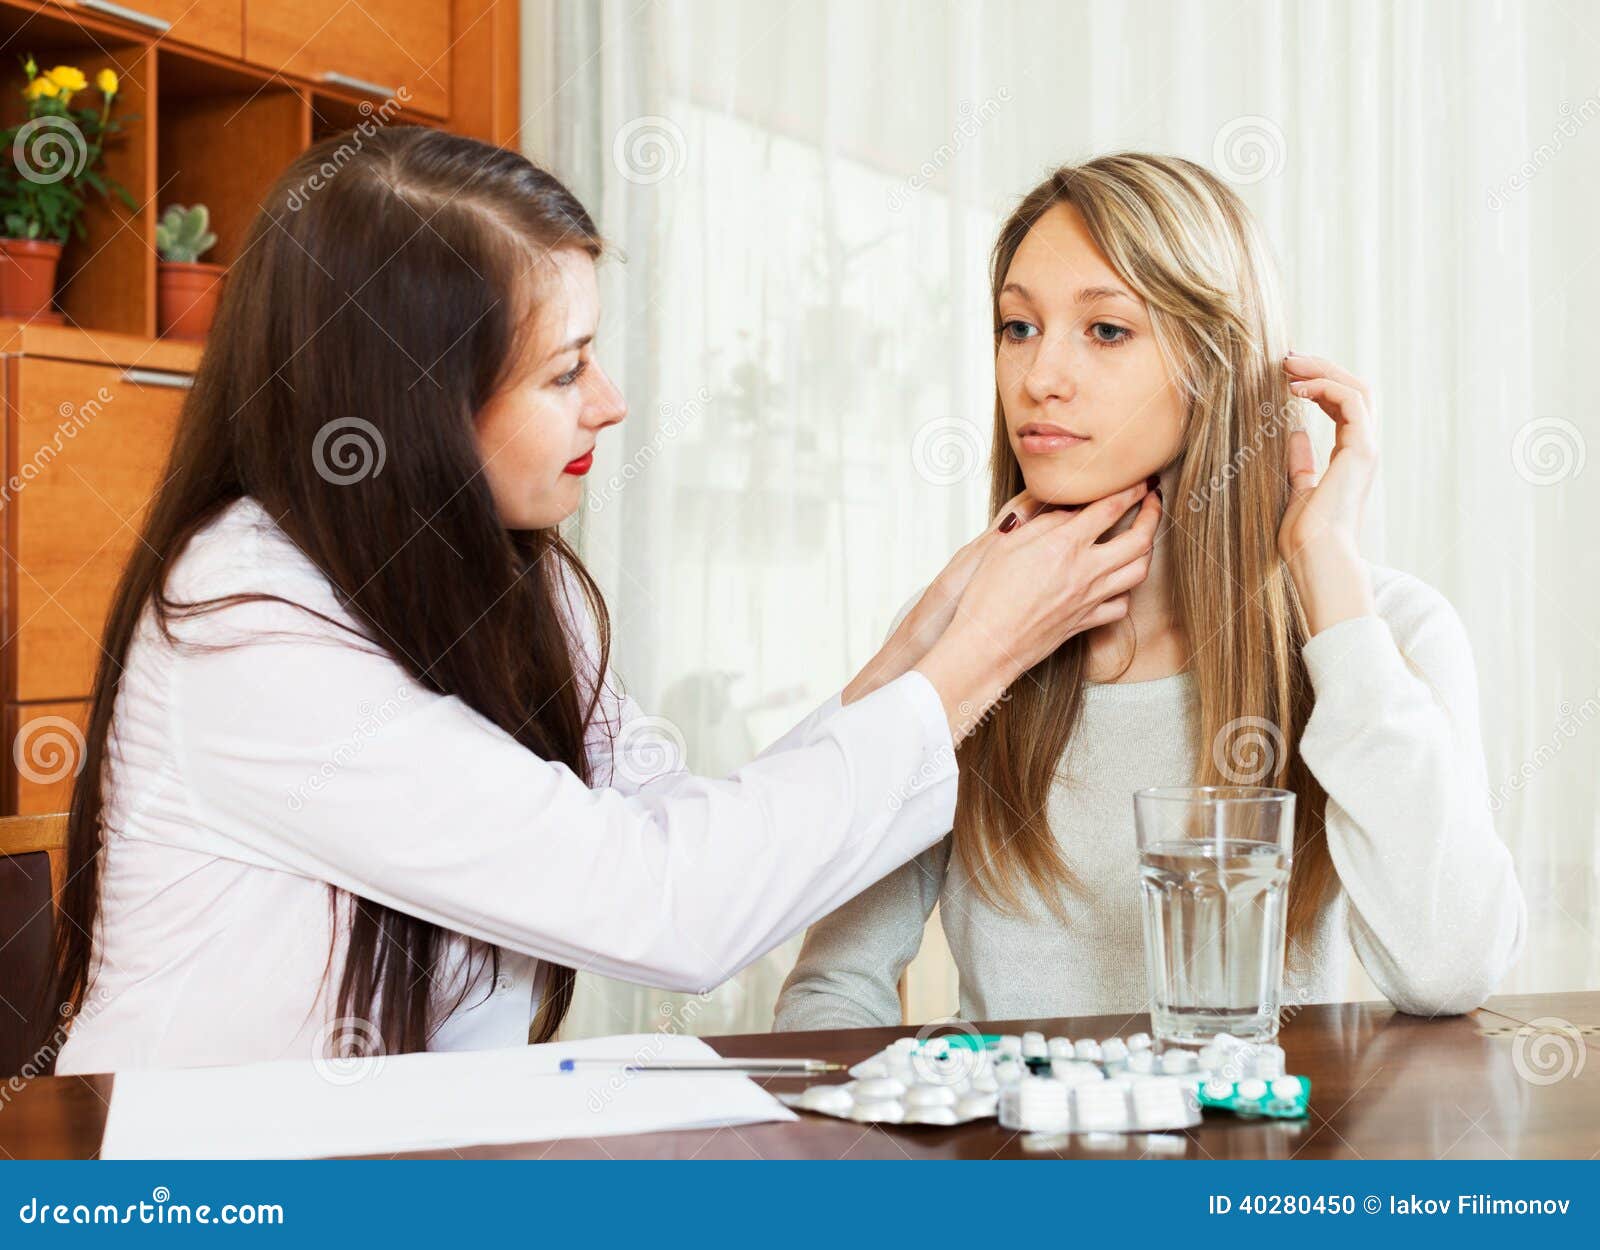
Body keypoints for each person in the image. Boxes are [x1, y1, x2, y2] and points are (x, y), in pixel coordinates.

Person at [48, 128, 1159, 1073]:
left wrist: (937, 630)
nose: (611, 402)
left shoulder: (511, 577)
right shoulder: (250, 631)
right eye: (564, 370)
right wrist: (982, 653)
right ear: (419, 408)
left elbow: (683, 827)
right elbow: (664, 901)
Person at [775, 154, 1525, 1031]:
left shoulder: (1383, 632)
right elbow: (832, 988)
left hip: (1260, 1168)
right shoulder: (965, 633)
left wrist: (1327, 571)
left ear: (1215, 361)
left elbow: (1449, 969)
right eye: (1018, 327)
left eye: (1105, 331)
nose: (1038, 376)